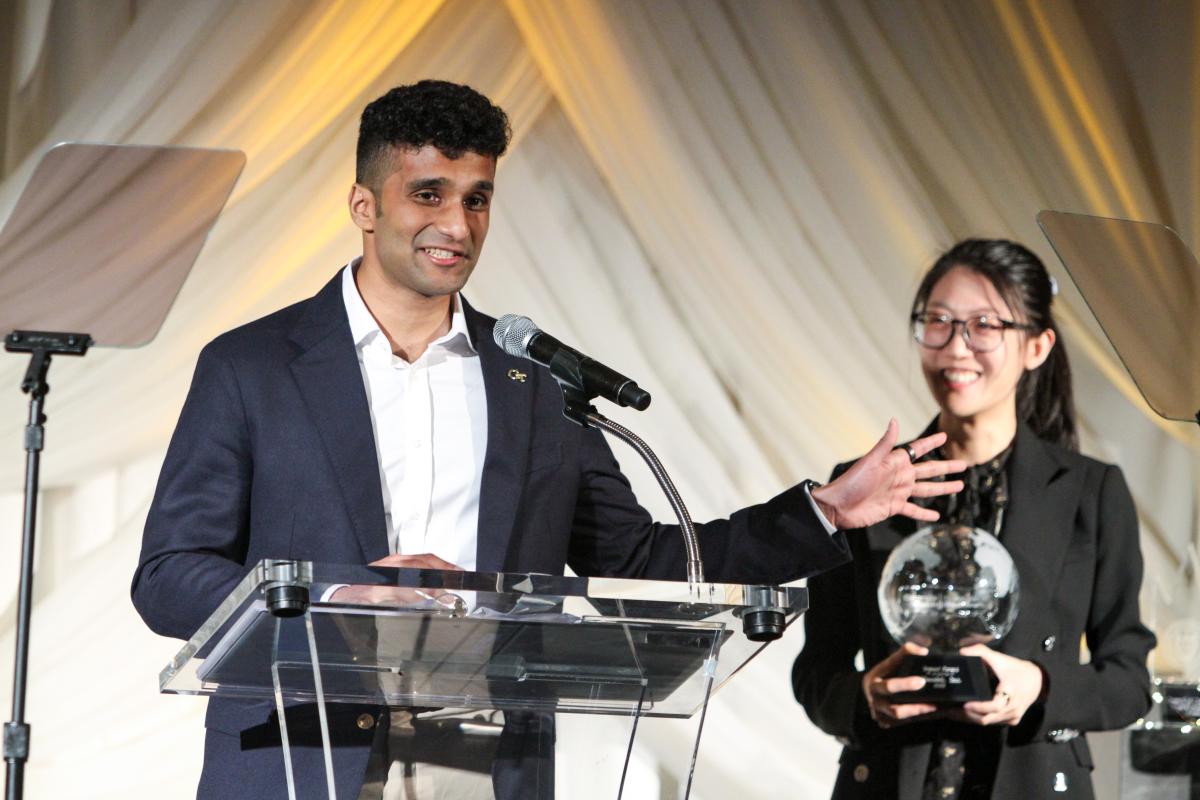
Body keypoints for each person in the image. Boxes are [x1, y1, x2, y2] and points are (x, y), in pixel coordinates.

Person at [131, 80, 964, 800]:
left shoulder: (528, 380)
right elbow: (169, 576)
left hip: (486, 754)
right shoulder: (253, 366)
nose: (456, 223)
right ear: (364, 204)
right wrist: (342, 596)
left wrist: (820, 512)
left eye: (477, 197)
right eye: (428, 193)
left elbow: (641, 561)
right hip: (300, 755)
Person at [792, 239, 1157, 799]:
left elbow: (1130, 680)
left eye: (984, 325)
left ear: (1037, 345)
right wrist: (867, 695)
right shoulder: (863, 486)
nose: (956, 348)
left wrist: (1039, 687)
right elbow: (816, 671)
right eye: (937, 322)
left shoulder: (1090, 492)